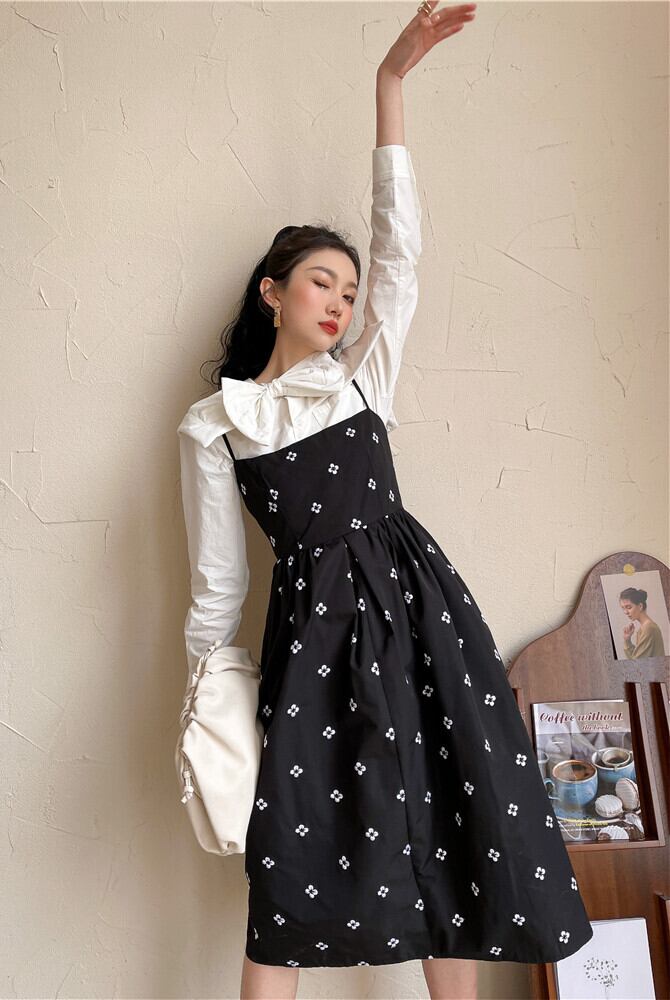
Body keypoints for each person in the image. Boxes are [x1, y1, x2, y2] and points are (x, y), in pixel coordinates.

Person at [177, 4, 593, 998]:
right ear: (272, 290)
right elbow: (216, 585)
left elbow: (400, 253)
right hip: (311, 641)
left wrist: (391, 83)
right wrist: (209, 705)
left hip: (419, 616)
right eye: (320, 282)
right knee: (291, 861)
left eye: (348, 292)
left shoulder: (361, 379)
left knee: (452, 829)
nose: (340, 301)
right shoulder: (215, 424)